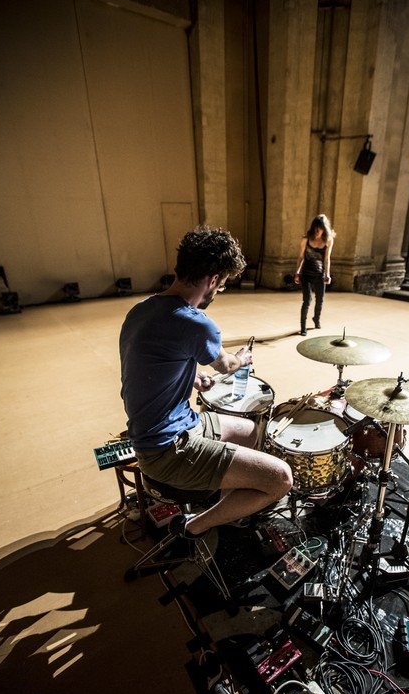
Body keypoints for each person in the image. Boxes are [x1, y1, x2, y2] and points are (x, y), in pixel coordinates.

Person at [119, 225, 293, 538]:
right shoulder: (196, 323)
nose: (218, 291)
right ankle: (194, 526)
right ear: (213, 280)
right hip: (167, 449)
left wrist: (189, 378)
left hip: (163, 429)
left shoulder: (140, 311)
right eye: (222, 285)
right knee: (281, 478)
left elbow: (145, 371)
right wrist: (242, 357)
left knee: (250, 431)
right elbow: (226, 365)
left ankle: (227, 506)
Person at [294, 214, 335, 335]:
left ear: (324, 229)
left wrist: (327, 274)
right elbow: (301, 257)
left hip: (319, 274)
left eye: (320, 228)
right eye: (316, 228)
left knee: (320, 300)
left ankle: (316, 319)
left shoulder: (328, 240)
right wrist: (297, 272)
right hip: (306, 274)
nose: (317, 231)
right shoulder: (306, 239)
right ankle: (303, 327)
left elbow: (327, 259)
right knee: (307, 301)